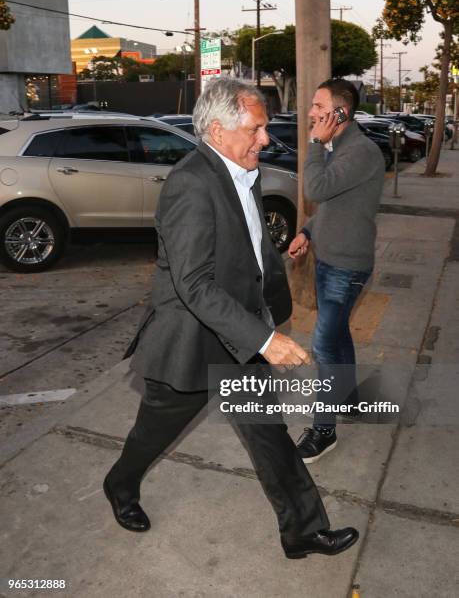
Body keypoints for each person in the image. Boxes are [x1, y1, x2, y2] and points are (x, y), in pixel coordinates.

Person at [103, 78, 358, 559]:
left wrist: (268, 306)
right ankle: (120, 484)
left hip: (240, 333)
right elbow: (194, 284)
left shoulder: (246, 171)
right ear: (218, 131)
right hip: (192, 339)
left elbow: (249, 248)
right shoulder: (189, 185)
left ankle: (303, 530)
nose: (266, 139)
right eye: (257, 129)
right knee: (153, 432)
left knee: (268, 434)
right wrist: (264, 340)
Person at [289, 79, 385, 463]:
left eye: (318, 105)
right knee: (339, 333)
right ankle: (349, 399)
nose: (311, 112)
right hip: (330, 259)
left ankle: (324, 430)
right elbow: (334, 202)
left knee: (324, 345)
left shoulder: (359, 151)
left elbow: (315, 189)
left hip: (347, 267)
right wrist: (308, 232)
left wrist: (314, 144)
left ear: (340, 113)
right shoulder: (343, 148)